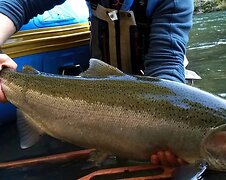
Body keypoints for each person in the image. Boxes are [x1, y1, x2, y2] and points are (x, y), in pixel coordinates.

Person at [0, 0, 193, 166]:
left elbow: (165, 62)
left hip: (155, 91)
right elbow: (22, 3)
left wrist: (170, 133)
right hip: (100, 87)